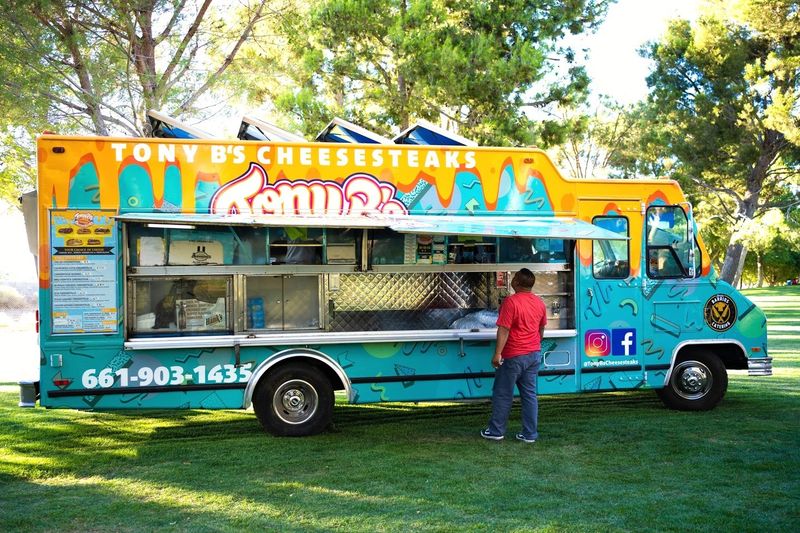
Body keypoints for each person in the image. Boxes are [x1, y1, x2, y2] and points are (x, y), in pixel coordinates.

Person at [481, 268, 547, 443]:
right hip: (533, 354)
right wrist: (534, 344)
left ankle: (496, 431)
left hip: (513, 355)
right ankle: (530, 434)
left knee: (503, 393)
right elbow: (541, 329)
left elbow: (504, 329)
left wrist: (497, 354)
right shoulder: (539, 302)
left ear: (517, 282)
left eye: (515, 277)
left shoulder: (511, 302)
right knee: (529, 395)